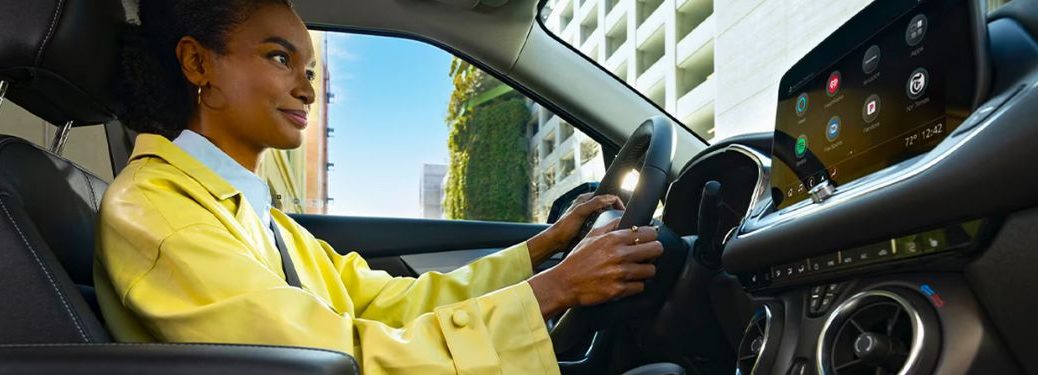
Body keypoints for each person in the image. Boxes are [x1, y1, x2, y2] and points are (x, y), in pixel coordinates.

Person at [94, 1, 664, 373]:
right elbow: (334, 361)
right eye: (278, 58)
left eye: (310, 71)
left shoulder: (255, 214)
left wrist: (540, 254)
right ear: (198, 63)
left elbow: (384, 302)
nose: (308, 91)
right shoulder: (159, 215)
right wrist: (552, 292)